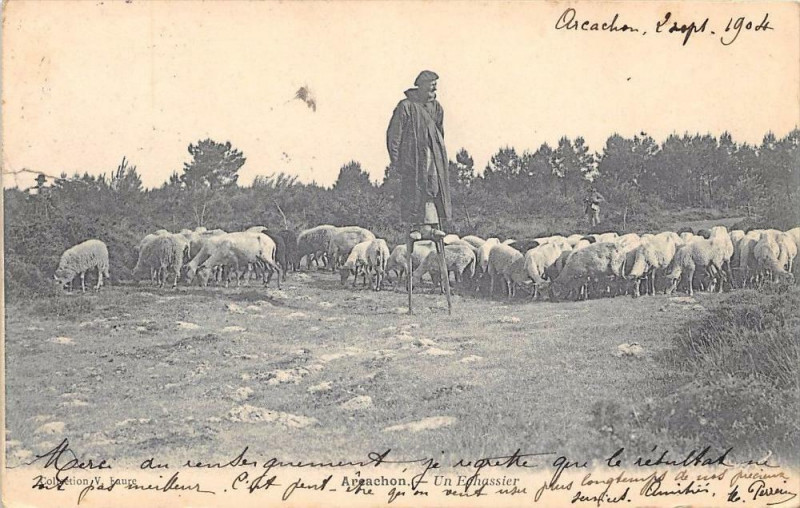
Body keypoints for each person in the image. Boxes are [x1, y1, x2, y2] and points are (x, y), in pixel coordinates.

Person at [386, 70, 452, 241]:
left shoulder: (437, 107)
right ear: (421, 86)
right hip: (412, 157)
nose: (435, 87)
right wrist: (396, 161)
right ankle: (415, 227)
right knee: (414, 189)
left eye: (436, 84)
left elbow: (440, 133)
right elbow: (394, 135)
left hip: (432, 155)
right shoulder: (406, 106)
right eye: (431, 84)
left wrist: (439, 156)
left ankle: (432, 225)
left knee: (433, 188)